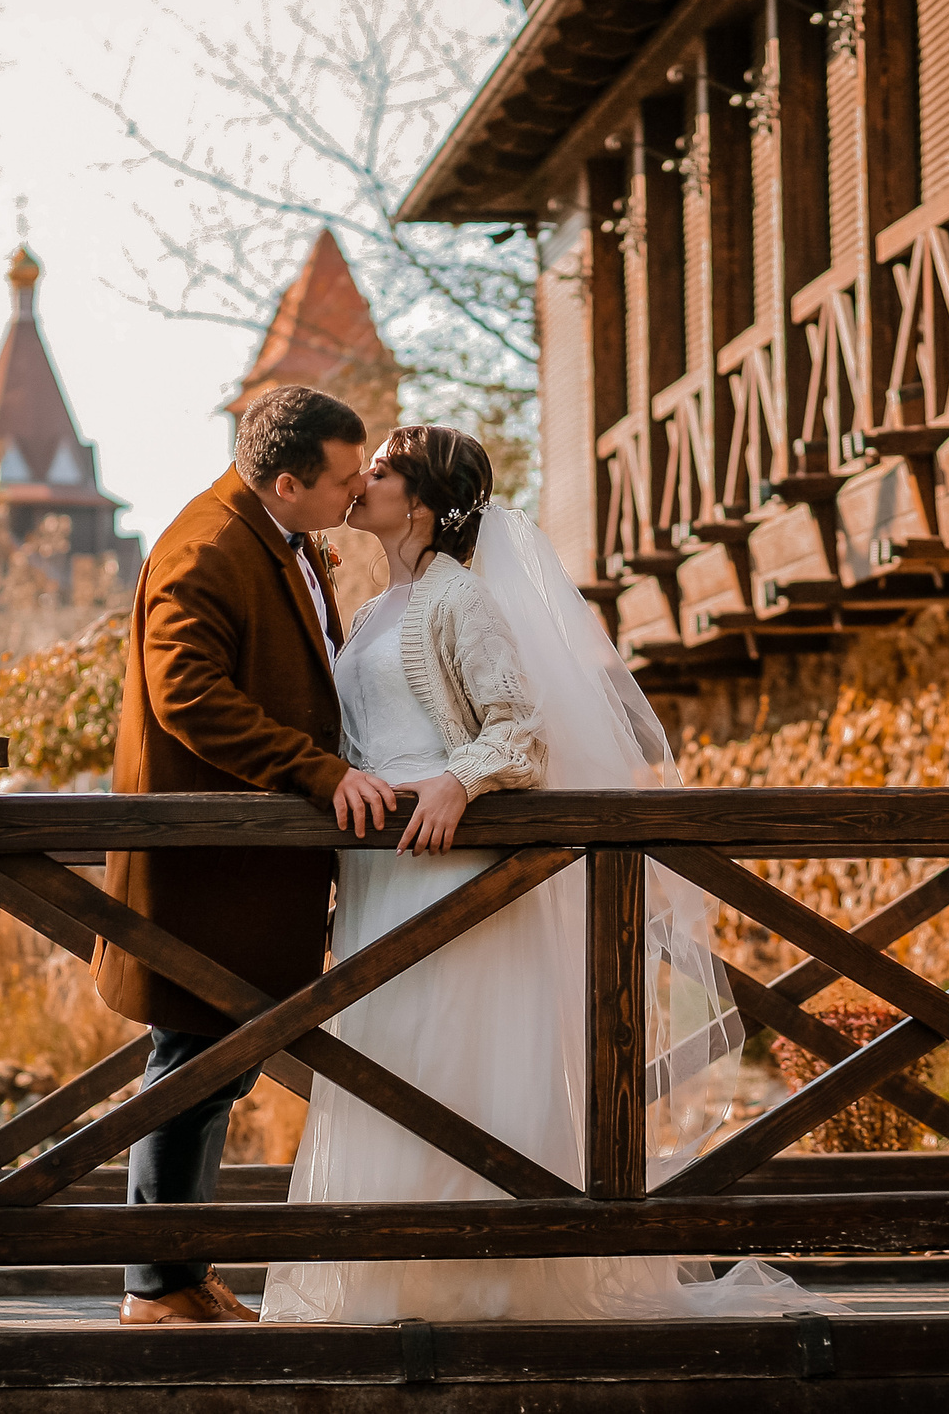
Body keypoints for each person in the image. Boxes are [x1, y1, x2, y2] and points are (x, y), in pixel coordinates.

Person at [259, 425, 836, 1325]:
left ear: (418, 501)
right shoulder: (373, 610)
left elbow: (521, 731)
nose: (360, 480)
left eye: (379, 471)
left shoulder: (461, 599)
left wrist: (459, 778)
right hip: (382, 876)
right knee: (391, 1058)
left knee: (456, 1055)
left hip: (454, 875)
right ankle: (388, 1271)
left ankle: (486, 1280)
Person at [96, 384, 400, 1326]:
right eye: (345, 477)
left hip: (248, 868)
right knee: (190, 1060)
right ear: (285, 479)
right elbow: (186, 693)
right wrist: (316, 771)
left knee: (216, 1063)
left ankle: (180, 1273)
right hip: (204, 866)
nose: (357, 492)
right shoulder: (208, 545)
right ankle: (156, 1286)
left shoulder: (282, 533)